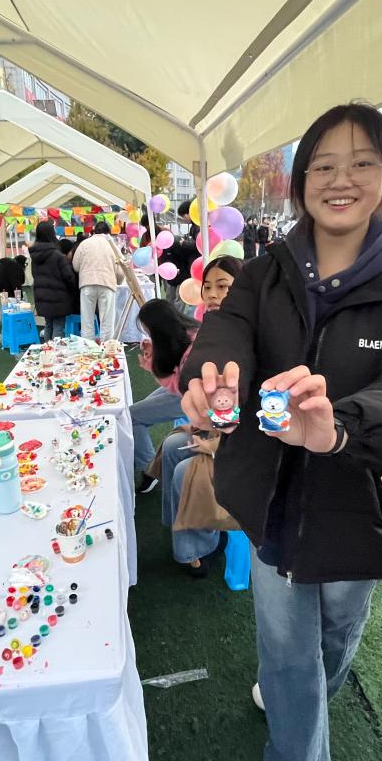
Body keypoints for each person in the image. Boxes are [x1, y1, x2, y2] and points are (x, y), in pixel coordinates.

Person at [179, 102, 382, 760]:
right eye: (324, 165)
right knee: (286, 649)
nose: (342, 179)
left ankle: (302, 696)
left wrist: (339, 429)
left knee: (335, 633)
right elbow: (226, 332)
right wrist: (212, 377)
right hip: (269, 496)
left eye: (362, 163)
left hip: (360, 505)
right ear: (302, 180)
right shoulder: (263, 274)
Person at [145, 255, 245, 575]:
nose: (213, 294)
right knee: (173, 446)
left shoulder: (250, 334)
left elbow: (255, 406)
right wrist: (203, 428)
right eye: (208, 286)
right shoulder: (211, 330)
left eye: (223, 286)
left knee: (184, 473)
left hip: (245, 443)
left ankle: (200, 548)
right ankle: (178, 524)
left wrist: (214, 443)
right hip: (218, 428)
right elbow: (192, 387)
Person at [133, 299, 199, 492]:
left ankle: (150, 470)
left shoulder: (191, 347)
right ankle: (148, 462)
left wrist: (152, 364)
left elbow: (177, 385)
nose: (148, 334)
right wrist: (154, 354)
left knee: (133, 417)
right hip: (184, 388)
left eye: (149, 330)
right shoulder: (185, 332)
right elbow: (173, 368)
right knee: (140, 411)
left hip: (188, 395)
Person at [72, 221, 125, 341]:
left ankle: (87, 347)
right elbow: (121, 267)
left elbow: (75, 265)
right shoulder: (112, 245)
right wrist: (119, 280)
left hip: (87, 283)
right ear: (108, 232)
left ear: (94, 231)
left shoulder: (84, 243)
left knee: (87, 320)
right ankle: (107, 346)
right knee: (107, 320)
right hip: (107, 283)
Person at [30, 221, 78, 341]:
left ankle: (47, 349)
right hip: (58, 297)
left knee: (48, 325)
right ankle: (56, 351)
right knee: (58, 326)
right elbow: (69, 277)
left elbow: (34, 275)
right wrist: (73, 290)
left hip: (42, 296)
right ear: (52, 234)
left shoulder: (34, 256)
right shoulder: (57, 255)